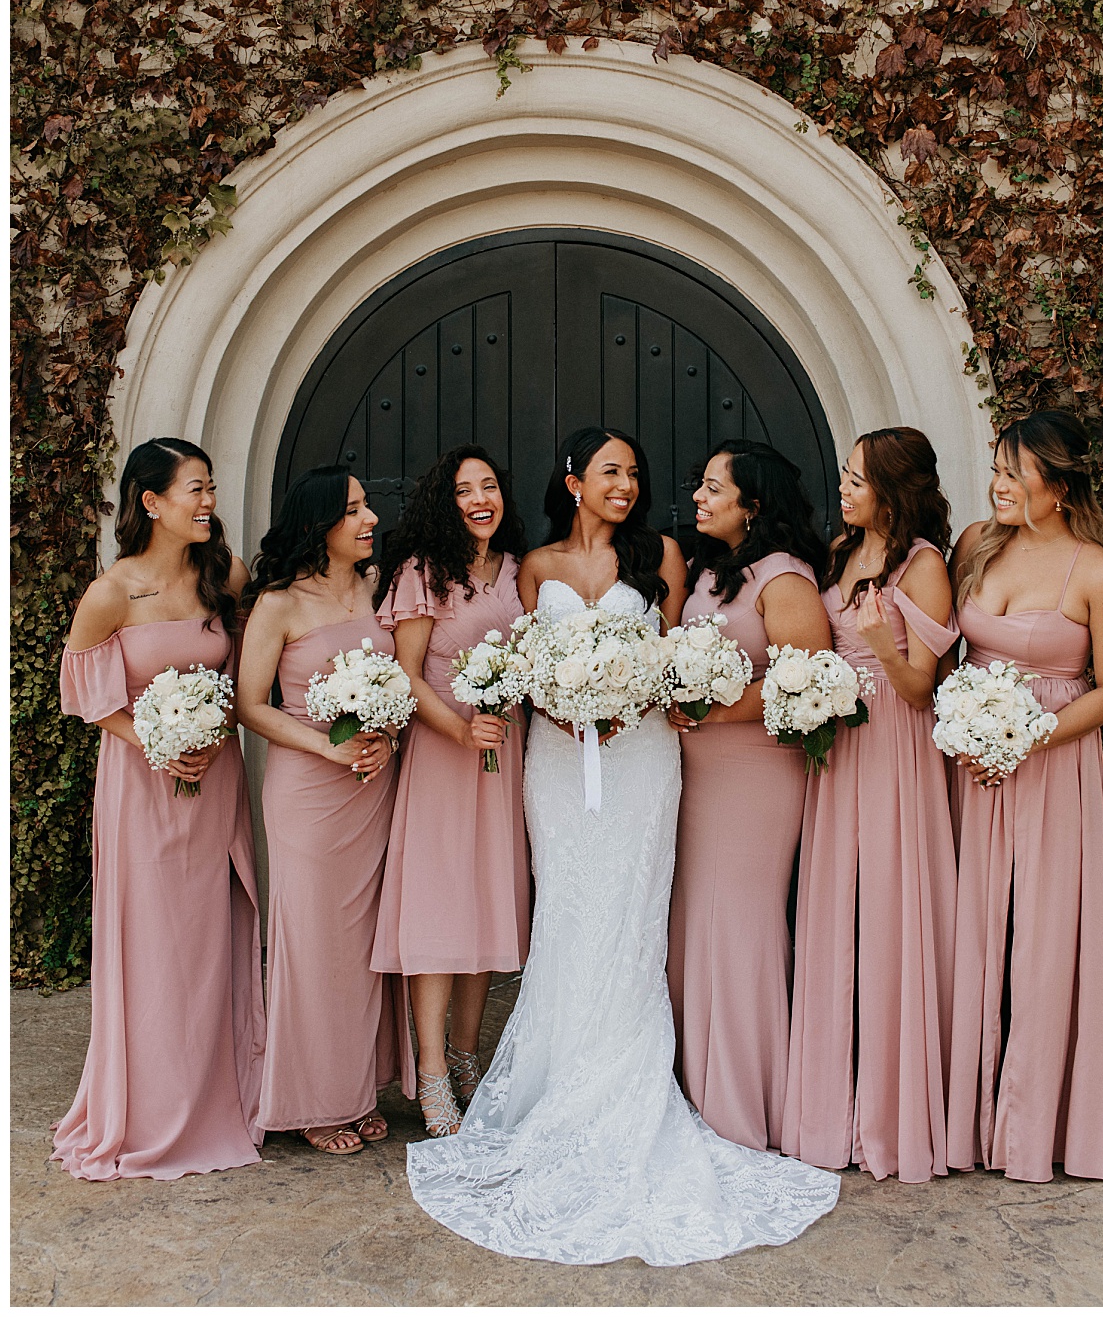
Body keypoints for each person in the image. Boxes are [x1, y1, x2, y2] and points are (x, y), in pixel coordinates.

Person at [404, 427, 840, 1266]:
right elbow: (523, 663)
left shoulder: (666, 555)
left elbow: (677, 659)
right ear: (572, 481)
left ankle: (635, 1087)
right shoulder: (534, 568)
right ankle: (556, 1083)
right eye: (612, 471)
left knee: (634, 920)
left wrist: (630, 695)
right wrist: (560, 701)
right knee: (570, 913)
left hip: (642, 760)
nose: (628, 485)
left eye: (636, 472)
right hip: (562, 765)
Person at [53, 437, 264, 1180]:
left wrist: (213, 731)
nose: (209, 502)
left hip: (215, 781)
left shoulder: (225, 575)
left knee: (209, 935)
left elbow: (247, 670)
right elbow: (80, 692)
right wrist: (155, 736)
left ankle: (219, 1091)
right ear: (151, 501)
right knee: (152, 942)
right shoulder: (114, 590)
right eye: (194, 489)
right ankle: (147, 1106)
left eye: (210, 488)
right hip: (143, 788)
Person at [946, 410, 1103, 1183]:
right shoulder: (974, 547)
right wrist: (968, 727)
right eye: (997, 465)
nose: (998, 481)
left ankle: (1039, 1130)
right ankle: (967, 1121)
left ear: (1057, 486)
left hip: (1053, 765)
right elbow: (954, 654)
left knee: (1047, 936)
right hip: (975, 765)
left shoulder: (1096, 572)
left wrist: (1027, 737)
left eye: (1015, 472)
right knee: (974, 934)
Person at [782, 426, 959, 1183]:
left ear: (891, 488)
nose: (845, 487)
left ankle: (891, 1116)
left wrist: (881, 647)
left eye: (857, 478)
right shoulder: (838, 553)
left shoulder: (923, 568)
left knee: (888, 918)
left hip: (894, 744)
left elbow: (928, 688)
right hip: (839, 743)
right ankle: (829, 1110)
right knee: (832, 916)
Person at [237, 467, 412, 1156]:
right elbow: (252, 704)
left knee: (365, 942)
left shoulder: (374, 586)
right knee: (313, 941)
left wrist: (389, 729)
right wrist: (327, 749)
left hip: (372, 785)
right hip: (309, 791)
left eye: (368, 505)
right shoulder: (279, 602)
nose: (370, 518)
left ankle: (359, 1086)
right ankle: (311, 1098)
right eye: (354, 509)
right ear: (319, 524)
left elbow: (394, 680)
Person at [665, 440, 830, 1152]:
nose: (699, 498)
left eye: (712, 489)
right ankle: (694, 1089)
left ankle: (744, 1102)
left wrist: (714, 706)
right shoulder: (709, 570)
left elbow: (810, 685)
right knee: (691, 926)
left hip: (757, 775)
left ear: (752, 505)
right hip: (699, 773)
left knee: (740, 926)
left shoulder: (784, 579)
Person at [371, 445, 531, 1138]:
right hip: (444, 756)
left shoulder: (520, 572)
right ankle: (432, 1072)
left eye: (489, 484)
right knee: (439, 913)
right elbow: (406, 674)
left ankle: (469, 1056)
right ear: (446, 502)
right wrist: (460, 732)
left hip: (504, 753)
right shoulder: (422, 574)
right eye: (464, 489)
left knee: (488, 906)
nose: (479, 498)